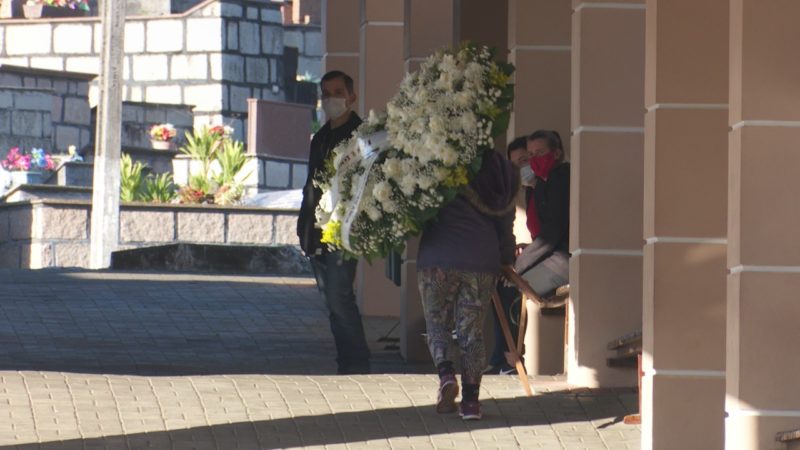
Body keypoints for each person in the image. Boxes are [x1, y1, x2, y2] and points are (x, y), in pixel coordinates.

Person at [416, 148, 519, 421]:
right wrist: (505, 257)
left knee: (437, 323)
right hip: (480, 259)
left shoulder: (434, 154)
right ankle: (471, 403)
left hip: (437, 257)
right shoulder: (499, 168)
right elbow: (506, 222)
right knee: (471, 332)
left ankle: (446, 374)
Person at [297, 70, 371, 375]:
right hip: (315, 231)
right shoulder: (322, 136)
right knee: (331, 302)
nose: (331, 99)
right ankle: (347, 361)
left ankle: (356, 364)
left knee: (340, 299)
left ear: (351, 97)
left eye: (338, 92)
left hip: (343, 230)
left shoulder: (362, 136)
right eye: (326, 94)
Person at [484, 136, 534, 375]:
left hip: (544, 257)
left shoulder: (547, 186)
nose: (521, 168)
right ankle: (500, 355)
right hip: (524, 254)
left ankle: (512, 356)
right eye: (515, 164)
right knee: (498, 280)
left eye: (525, 160)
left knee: (510, 285)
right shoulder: (517, 192)